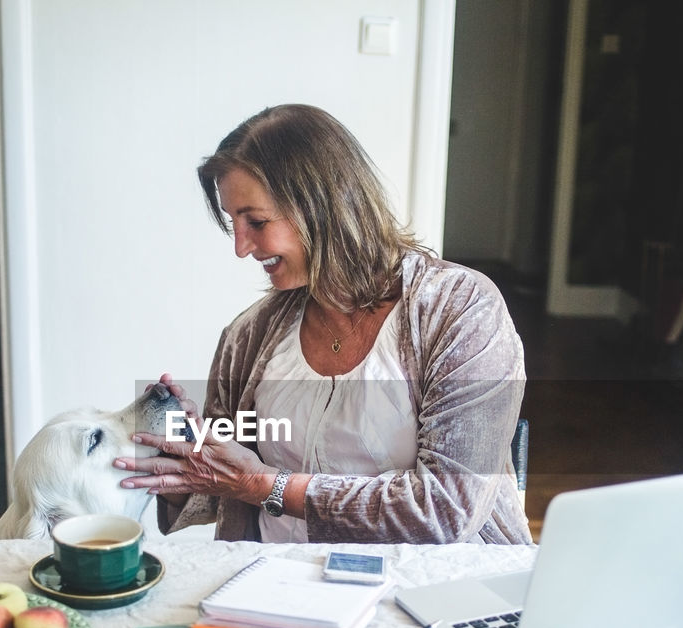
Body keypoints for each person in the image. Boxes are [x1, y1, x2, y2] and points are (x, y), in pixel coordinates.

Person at [114, 104, 529, 544]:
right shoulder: (248, 338)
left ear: (320, 205)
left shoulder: (460, 310)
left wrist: (265, 485)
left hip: (429, 592)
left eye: (255, 221)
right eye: (232, 222)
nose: (240, 247)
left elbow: (444, 509)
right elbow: (221, 488)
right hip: (279, 587)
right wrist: (185, 448)